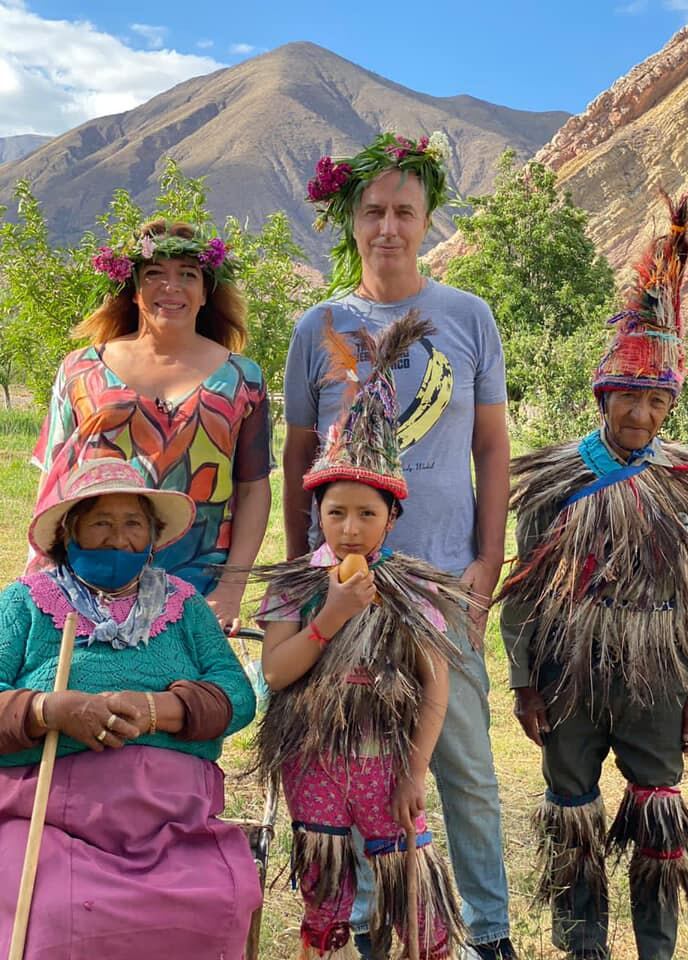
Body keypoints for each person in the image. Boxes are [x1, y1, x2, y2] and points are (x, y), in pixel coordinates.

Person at [283, 132, 514, 960]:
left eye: (404, 211)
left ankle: (489, 930)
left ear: (427, 221)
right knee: (363, 750)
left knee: (465, 771)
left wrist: (486, 563)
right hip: (346, 580)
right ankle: (374, 917)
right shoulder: (320, 327)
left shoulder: (467, 318)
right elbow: (297, 456)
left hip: (445, 578)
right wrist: (302, 573)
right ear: (350, 220)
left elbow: (493, 447)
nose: (388, 226)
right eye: (373, 211)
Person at [498, 189, 688, 960]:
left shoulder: (687, 483)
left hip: (660, 668)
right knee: (573, 811)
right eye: (631, 396)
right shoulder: (558, 479)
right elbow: (524, 588)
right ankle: (580, 944)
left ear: (669, 406)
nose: (643, 414)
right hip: (570, 667)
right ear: (605, 395)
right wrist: (525, 678)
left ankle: (656, 949)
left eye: (658, 400)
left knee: (660, 816)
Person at [255, 312, 471, 959]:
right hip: (312, 764)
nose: (349, 527)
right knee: (324, 905)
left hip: (387, 769)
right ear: (315, 511)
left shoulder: (413, 590)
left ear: (391, 517)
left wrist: (414, 773)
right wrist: (333, 615)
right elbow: (276, 673)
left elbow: (434, 687)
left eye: (366, 513)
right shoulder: (294, 586)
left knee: (419, 901)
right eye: (336, 511)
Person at [0, 457, 262, 958]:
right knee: (52, 912)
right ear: (69, 532)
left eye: (132, 524)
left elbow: (237, 694)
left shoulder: (184, 605)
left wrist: (159, 709)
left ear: (152, 537)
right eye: (101, 522)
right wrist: (49, 711)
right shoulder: (24, 605)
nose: (118, 539)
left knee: (213, 904)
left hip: (173, 823)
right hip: (49, 820)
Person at [32, 218, 272, 629]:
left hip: (196, 587)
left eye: (188, 275)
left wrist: (232, 587)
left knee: (179, 693)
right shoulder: (81, 370)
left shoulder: (242, 381)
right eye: (155, 274)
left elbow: (253, 489)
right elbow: (53, 482)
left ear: (205, 292)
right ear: (134, 288)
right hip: (87, 578)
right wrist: (41, 576)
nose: (171, 286)